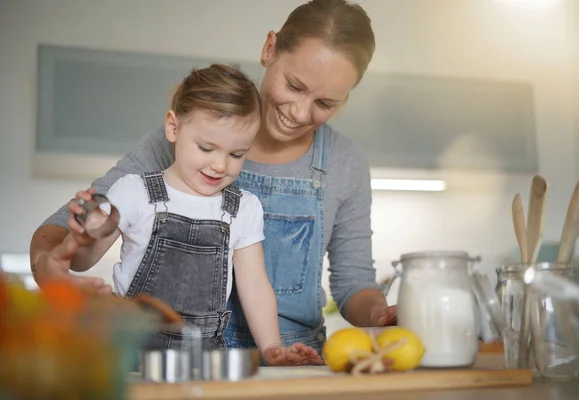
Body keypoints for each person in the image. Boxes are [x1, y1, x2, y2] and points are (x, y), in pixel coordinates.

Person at [30, 0, 397, 356]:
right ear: (270, 48)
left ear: (344, 100)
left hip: (289, 361)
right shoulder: (187, 139)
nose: (300, 112)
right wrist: (52, 267)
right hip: (183, 358)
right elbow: (72, 230)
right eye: (295, 86)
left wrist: (382, 314)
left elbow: (353, 284)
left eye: (325, 103)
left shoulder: (344, 161)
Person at [64, 64, 322, 366]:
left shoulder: (244, 209)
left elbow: (255, 286)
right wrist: (81, 239)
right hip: (128, 354)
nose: (219, 165)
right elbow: (82, 261)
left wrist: (271, 347)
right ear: (173, 128)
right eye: (206, 148)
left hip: (204, 360)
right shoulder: (134, 193)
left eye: (236, 154)